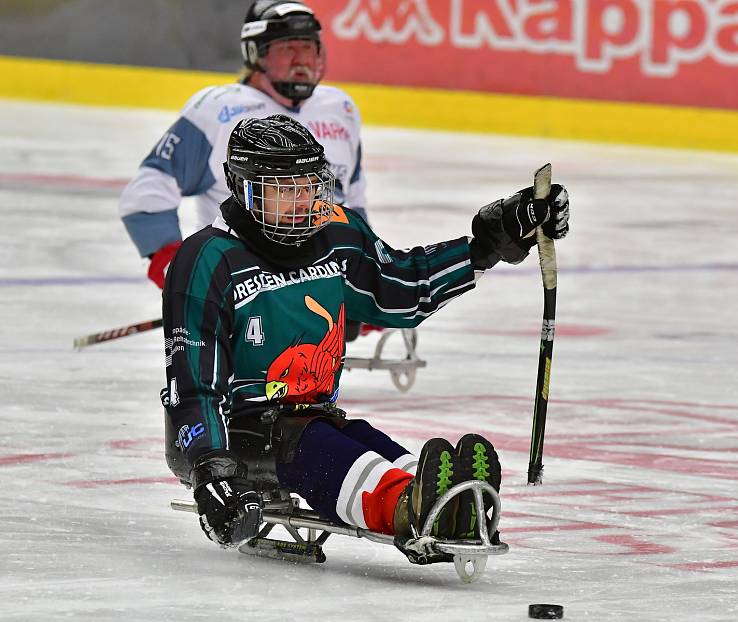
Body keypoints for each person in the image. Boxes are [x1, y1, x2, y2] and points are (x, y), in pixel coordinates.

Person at [162, 115, 570, 563]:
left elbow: (405, 286)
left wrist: (492, 242)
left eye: (308, 186)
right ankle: (409, 510)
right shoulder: (207, 258)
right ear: (243, 188)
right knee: (327, 451)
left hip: (314, 418)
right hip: (235, 433)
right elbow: (193, 385)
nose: (302, 202)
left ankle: (444, 501)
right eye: (284, 189)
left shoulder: (337, 233)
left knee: (367, 445)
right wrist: (212, 472)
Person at [118, 1, 367, 294]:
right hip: (242, 291)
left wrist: (365, 281)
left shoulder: (340, 109)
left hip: (318, 289)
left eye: (309, 48)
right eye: (288, 49)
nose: (302, 61)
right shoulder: (219, 110)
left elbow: (352, 202)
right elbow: (147, 195)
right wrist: (180, 270)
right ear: (255, 54)